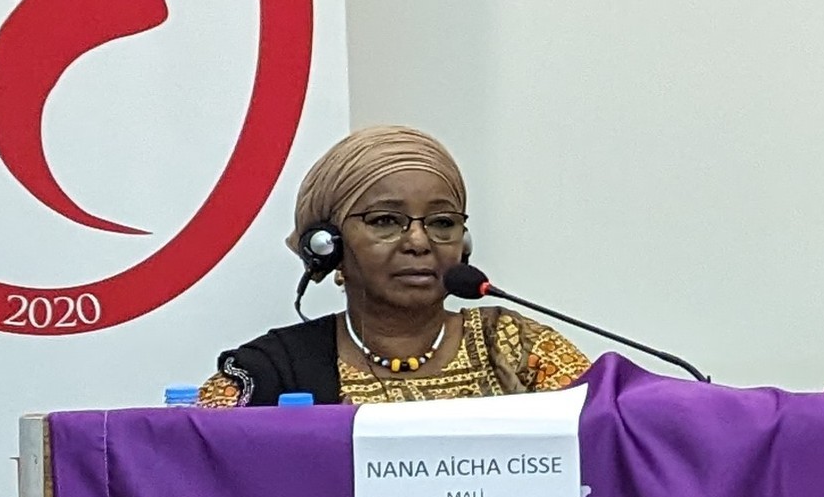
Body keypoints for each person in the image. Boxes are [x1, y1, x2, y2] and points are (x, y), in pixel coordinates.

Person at [199, 126, 589, 406]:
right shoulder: (273, 370)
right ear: (328, 245)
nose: (419, 242)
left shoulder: (514, 347)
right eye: (385, 220)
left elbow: (612, 433)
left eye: (442, 223)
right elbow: (183, 459)